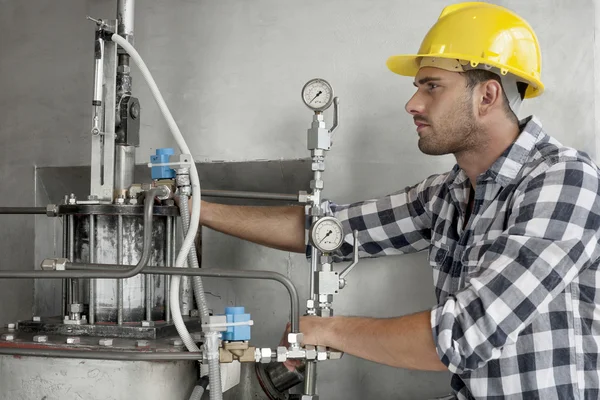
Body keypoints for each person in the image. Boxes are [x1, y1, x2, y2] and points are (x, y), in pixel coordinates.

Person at [196, 3, 600, 399]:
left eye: (432, 86)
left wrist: (326, 330)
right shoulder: (446, 194)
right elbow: (328, 231)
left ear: (487, 96)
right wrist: (196, 209)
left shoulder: (565, 181)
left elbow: (464, 334)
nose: (413, 104)